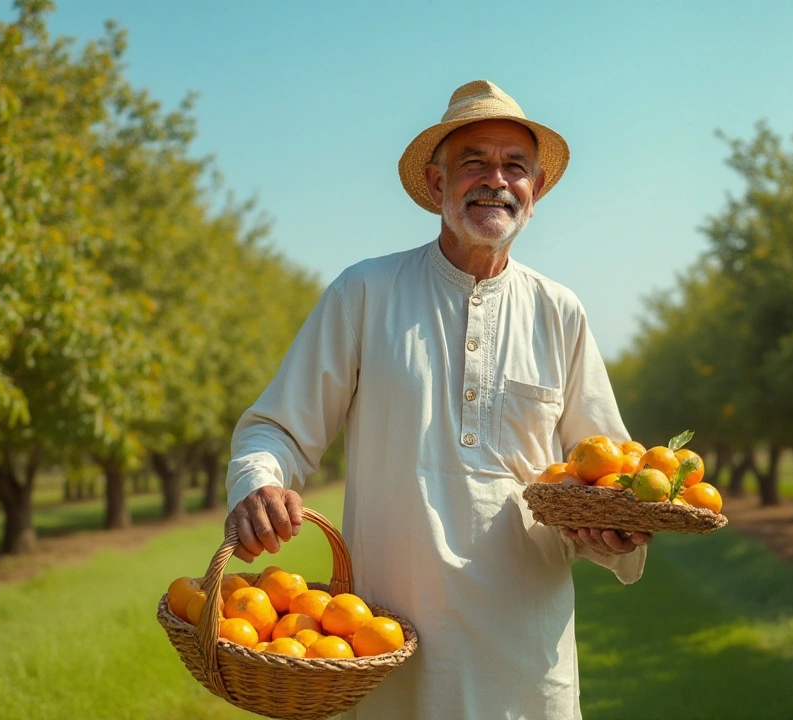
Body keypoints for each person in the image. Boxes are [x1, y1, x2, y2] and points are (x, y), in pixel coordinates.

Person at [224, 79, 650, 719]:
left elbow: (609, 476)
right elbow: (276, 429)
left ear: (535, 190)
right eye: (474, 162)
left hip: (525, 652)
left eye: (515, 167)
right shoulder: (364, 293)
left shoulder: (560, 312)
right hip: (385, 638)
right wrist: (259, 484)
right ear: (435, 184)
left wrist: (615, 532)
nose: (496, 180)